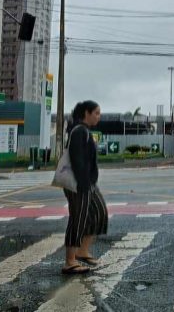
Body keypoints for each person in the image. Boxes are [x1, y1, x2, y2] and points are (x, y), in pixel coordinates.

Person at [62, 100, 108, 275]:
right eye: (96, 113)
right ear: (86, 114)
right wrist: (83, 184)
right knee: (78, 218)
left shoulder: (85, 131)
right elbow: (77, 159)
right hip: (79, 183)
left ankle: (82, 250)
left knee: (99, 212)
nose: (99, 116)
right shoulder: (79, 131)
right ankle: (69, 261)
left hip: (88, 183)